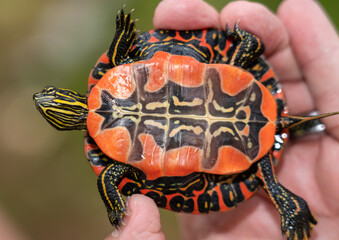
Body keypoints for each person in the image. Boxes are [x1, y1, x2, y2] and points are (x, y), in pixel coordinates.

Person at [105, 0, 339, 239]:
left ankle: (288, 198)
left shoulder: (112, 166)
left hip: (248, 154)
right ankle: (288, 201)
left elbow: (112, 178)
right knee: (234, 64)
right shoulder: (118, 68)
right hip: (248, 142)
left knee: (230, 66)